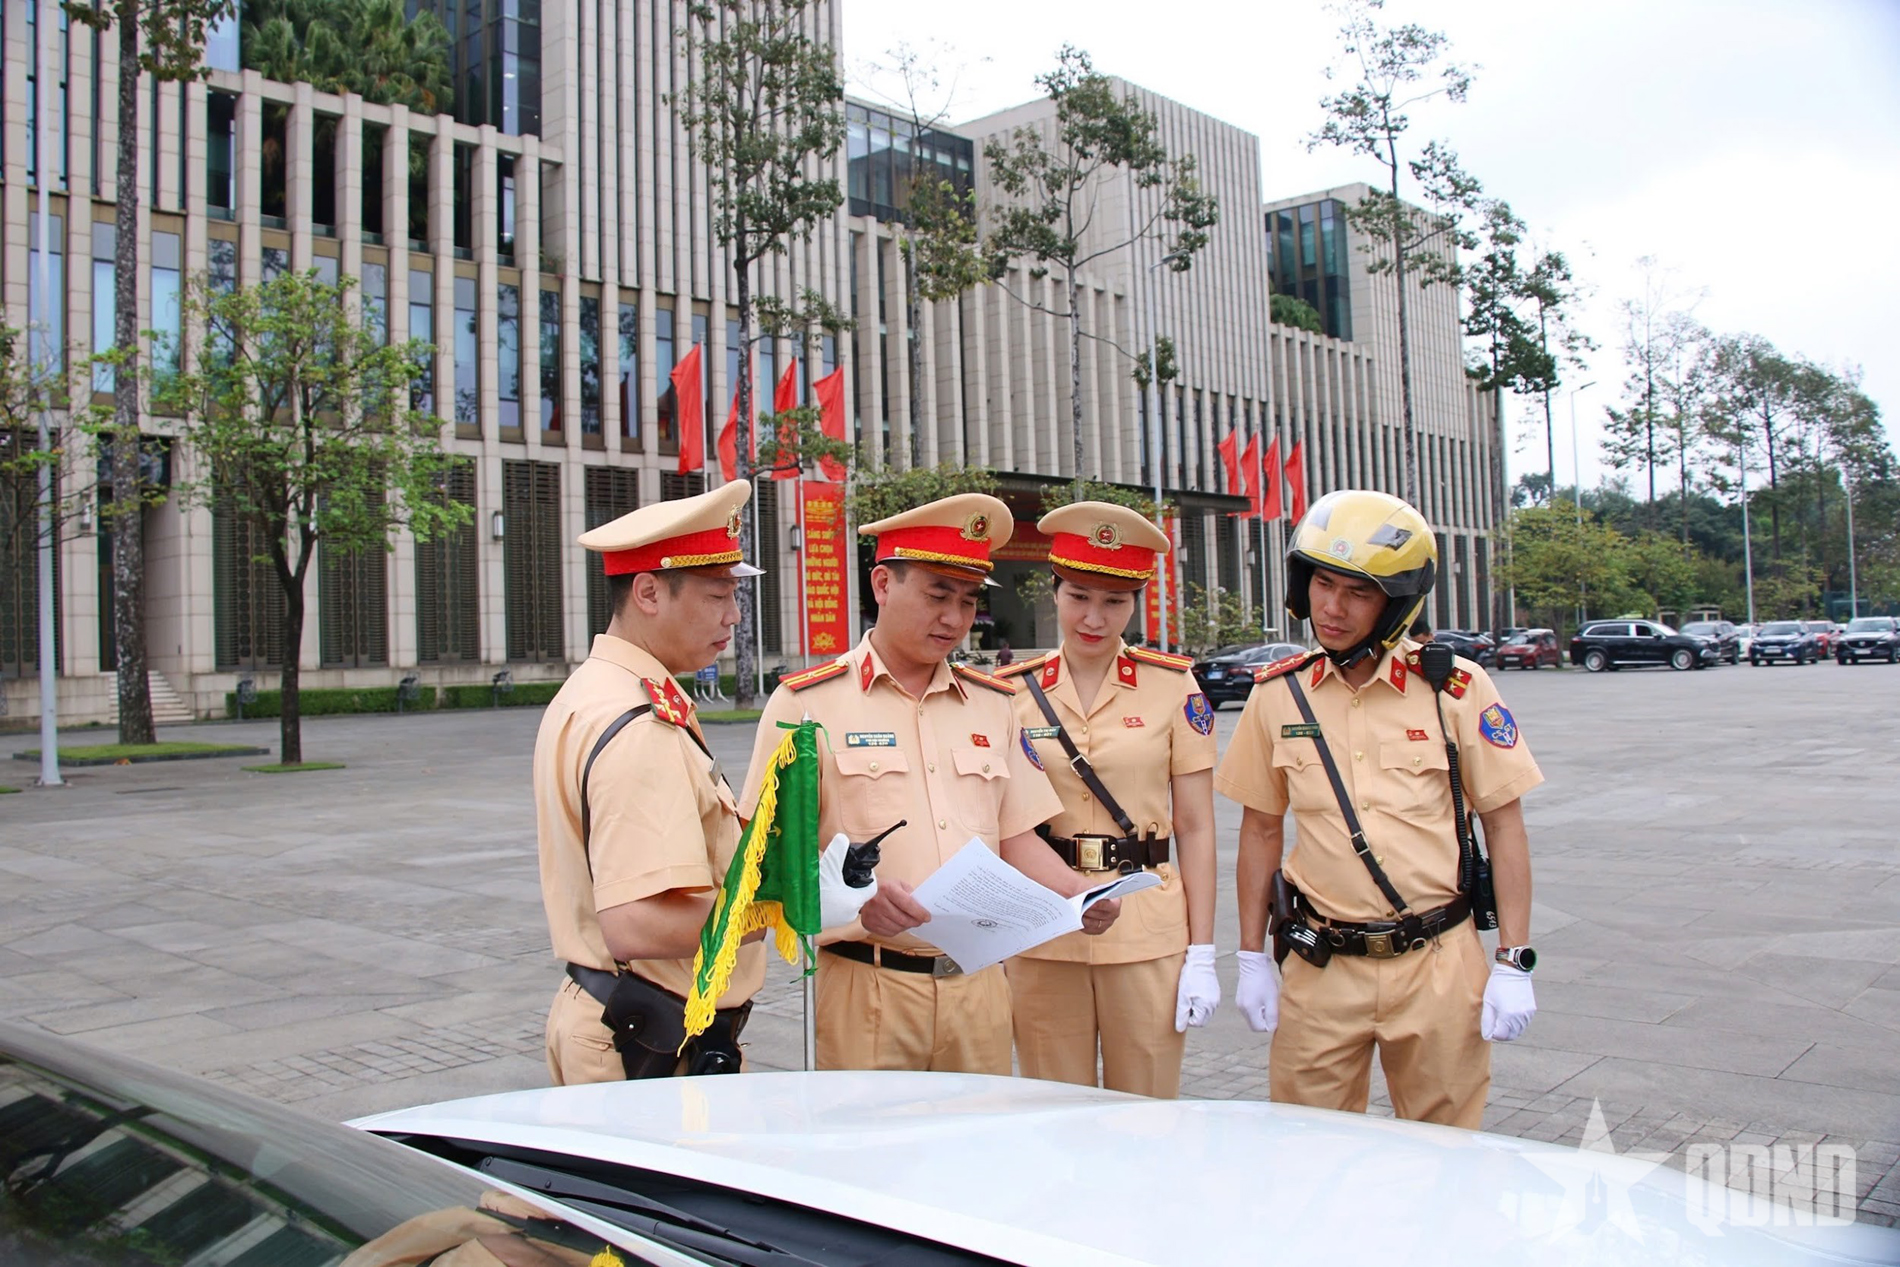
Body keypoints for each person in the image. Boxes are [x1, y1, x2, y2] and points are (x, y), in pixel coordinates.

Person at [740, 492, 1121, 1074]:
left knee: (975, 1158)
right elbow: (765, 864)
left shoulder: (993, 705)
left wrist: (1075, 892)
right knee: (870, 1159)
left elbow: (1014, 834)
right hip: (867, 990)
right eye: (937, 595)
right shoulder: (807, 706)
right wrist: (859, 905)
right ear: (882, 585)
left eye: (968, 601)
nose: (953, 619)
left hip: (979, 991)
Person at [1215, 489, 1542, 1129]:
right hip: (1321, 966)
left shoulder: (1454, 688)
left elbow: (1504, 827)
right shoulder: (1279, 696)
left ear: (1394, 604)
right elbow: (1259, 833)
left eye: (1357, 593)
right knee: (1306, 1153)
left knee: (1446, 1155)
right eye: (1322, 583)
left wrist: (1514, 960)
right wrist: (1250, 955)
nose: (1331, 608)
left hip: (1438, 966)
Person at [536, 479, 768, 1084]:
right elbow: (637, 924)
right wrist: (784, 907)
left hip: (631, 1023)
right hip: (646, 1047)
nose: (734, 615)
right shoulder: (639, 723)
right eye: (718, 595)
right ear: (647, 592)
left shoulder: (602, 689)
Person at [997, 502, 1220, 1098]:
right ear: (1054, 592)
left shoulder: (1174, 687)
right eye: (1079, 596)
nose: (1094, 617)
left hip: (1147, 927)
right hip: (1042, 924)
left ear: (1136, 603)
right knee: (1051, 1109)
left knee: (1146, 1112)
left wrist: (1203, 948)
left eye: (1114, 601)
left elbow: (1196, 828)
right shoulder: (1009, 694)